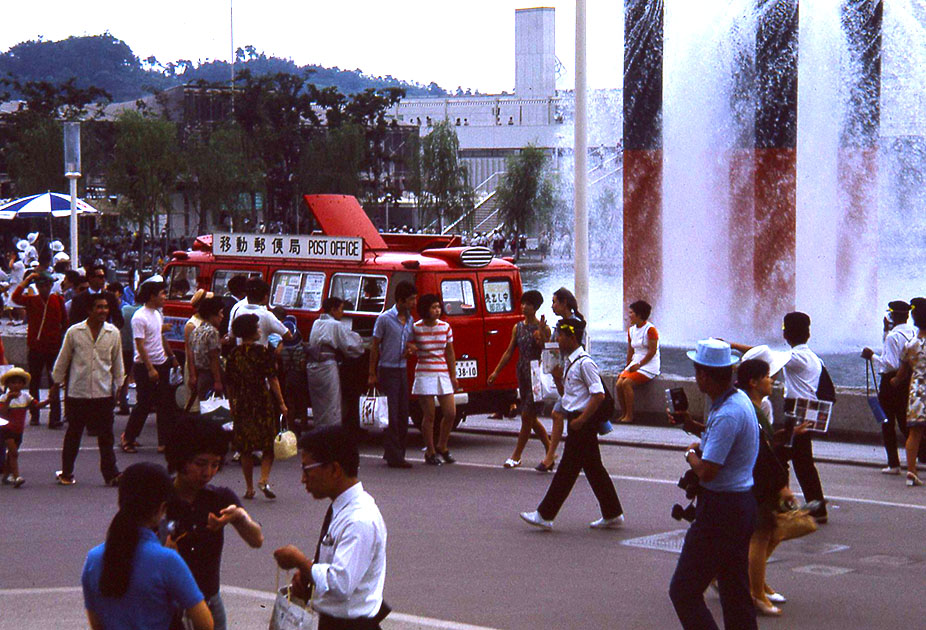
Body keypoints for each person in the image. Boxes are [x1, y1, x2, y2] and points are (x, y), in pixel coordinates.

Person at [668, 338, 759, 630]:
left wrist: (690, 455)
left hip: (721, 510)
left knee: (683, 590)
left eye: (697, 372)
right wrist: (692, 425)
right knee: (734, 591)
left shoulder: (727, 414)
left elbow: (707, 471)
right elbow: (719, 436)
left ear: (705, 375)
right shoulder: (737, 401)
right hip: (740, 505)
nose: (696, 379)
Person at [273, 425, 390, 630]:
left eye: (307, 470)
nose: (303, 479)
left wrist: (300, 562)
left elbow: (341, 584)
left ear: (335, 469)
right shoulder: (341, 509)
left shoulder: (359, 520)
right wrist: (309, 574)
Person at [81, 462, 213, 630]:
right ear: (162, 508)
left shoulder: (94, 558)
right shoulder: (168, 561)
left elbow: (97, 624)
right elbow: (205, 623)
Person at [519, 318, 624, 531]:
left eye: (561, 335)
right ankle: (612, 512)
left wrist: (582, 420)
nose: (558, 339)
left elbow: (599, 395)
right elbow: (568, 395)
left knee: (567, 470)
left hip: (581, 422)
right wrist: (558, 379)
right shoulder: (570, 363)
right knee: (594, 468)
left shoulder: (585, 363)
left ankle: (545, 514)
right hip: (576, 420)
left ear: (572, 337)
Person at [730, 312, 829, 523]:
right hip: (805, 409)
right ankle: (807, 504)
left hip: (798, 411)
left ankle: (794, 505)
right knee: (795, 460)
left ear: (786, 334)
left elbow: (764, 358)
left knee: (781, 458)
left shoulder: (797, 357)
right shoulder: (811, 356)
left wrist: (733, 345)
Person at [165, 422, 263, 630]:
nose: (207, 472)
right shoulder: (161, 497)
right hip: (166, 606)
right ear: (180, 460)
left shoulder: (220, 498)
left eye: (215, 465)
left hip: (209, 601)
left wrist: (238, 517)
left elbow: (256, 539)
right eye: (200, 464)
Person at [51, 292, 125, 486]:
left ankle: (111, 474)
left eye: (106, 307)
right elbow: (63, 359)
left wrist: (119, 386)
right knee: (74, 434)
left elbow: (118, 363)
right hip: (78, 392)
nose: (103, 311)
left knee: (106, 437)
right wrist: (56, 383)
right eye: (99, 307)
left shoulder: (113, 333)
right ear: (89, 310)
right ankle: (66, 473)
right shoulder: (74, 332)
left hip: (103, 392)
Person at [487, 289, 552, 469]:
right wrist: (496, 372)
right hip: (522, 371)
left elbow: (547, 350)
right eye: (523, 303)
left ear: (536, 307)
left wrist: (542, 332)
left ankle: (516, 455)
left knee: (526, 416)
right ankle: (549, 449)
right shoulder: (518, 326)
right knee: (530, 417)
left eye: (528, 305)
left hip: (535, 372)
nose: (524, 307)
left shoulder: (543, 327)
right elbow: (509, 352)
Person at [225, 313, 287, 500]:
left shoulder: (233, 354)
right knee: (268, 443)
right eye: (257, 327)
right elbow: (272, 378)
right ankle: (264, 479)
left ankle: (249, 487)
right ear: (252, 331)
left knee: (245, 446)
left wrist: (232, 402)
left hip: (242, 401)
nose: (260, 330)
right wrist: (282, 403)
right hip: (261, 399)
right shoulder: (262, 352)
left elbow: (230, 382)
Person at [862, 300, 924, 473]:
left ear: (892, 316)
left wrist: (872, 356)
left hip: (891, 383)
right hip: (908, 381)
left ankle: (893, 464)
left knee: (887, 423)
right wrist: (885, 330)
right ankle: (922, 454)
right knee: (907, 422)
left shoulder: (892, 337)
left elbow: (889, 363)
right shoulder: (913, 332)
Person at [120, 280, 181, 455]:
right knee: (144, 404)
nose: (164, 297)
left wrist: (172, 357)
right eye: (162, 293)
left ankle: (163, 442)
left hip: (161, 363)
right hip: (144, 366)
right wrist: (150, 369)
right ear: (152, 296)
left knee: (164, 405)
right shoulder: (139, 316)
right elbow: (140, 345)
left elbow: (160, 337)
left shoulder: (157, 314)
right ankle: (128, 438)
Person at [537, 287, 589, 472]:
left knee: (560, 414)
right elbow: (551, 347)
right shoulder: (560, 325)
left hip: (573, 377)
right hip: (563, 375)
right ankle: (555, 457)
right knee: (563, 416)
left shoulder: (575, 325)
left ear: (564, 303)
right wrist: (543, 333)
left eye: (554, 302)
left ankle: (551, 457)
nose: (552, 306)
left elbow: (572, 349)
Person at [368, 281, 417, 468]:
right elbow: (374, 346)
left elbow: (411, 342)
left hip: (402, 368)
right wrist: (372, 373)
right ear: (401, 300)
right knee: (392, 414)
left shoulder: (410, 320)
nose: (414, 303)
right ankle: (394, 455)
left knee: (403, 413)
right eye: (411, 299)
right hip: (387, 369)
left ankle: (396, 452)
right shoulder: (385, 319)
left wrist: (410, 350)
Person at [11, 270, 66, 429]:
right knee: (34, 381)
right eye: (42, 286)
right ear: (38, 287)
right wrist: (27, 280)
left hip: (53, 348)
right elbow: (14, 298)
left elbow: (64, 321)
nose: (45, 289)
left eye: (48, 285)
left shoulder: (58, 300)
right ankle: (34, 414)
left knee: (54, 382)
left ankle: (55, 416)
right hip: (36, 348)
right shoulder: (32, 301)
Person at [411, 294, 459, 465]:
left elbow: (450, 352)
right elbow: (408, 344)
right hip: (424, 373)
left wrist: (453, 375)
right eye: (433, 307)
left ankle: (442, 446)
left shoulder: (445, 327)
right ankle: (430, 451)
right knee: (429, 415)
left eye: (439, 307)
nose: (437, 310)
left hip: (442, 373)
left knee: (450, 412)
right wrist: (412, 348)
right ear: (425, 309)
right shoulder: (416, 328)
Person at [306, 297, 364, 428]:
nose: (342, 313)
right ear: (333, 310)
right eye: (341, 309)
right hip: (327, 366)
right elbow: (351, 345)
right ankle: (330, 434)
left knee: (318, 403)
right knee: (331, 403)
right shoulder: (336, 325)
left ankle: (319, 431)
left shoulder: (317, 323)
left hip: (312, 366)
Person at [891, 296, 926, 487]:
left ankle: (911, 471)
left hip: (918, 393)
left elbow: (901, 375)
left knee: (915, 434)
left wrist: (894, 381)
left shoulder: (910, 345)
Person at [0, 367, 49, 487]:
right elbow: (3, 413)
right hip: (6, 429)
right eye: (13, 383)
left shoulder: (25, 397)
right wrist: (8, 400)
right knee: (14, 452)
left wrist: (49, 400)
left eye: (19, 383)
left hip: (19, 430)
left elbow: (36, 405)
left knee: (11, 455)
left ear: (23, 384)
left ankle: (6, 475)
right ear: (7, 384)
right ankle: (17, 477)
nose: (16, 385)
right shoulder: (4, 398)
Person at [616, 299, 661, 424]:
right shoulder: (631, 330)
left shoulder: (651, 330)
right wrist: (626, 367)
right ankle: (623, 413)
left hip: (649, 364)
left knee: (627, 383)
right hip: (635, 361)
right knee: (619, 383)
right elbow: (630, 351)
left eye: (631, 313)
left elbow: (652, 351)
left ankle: (630, 415)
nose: (628, 315)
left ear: (639, 315)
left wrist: (639, 365)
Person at [227, 278, 291, 347]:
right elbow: (288, 335)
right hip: (260, 355)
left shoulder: (237, 309)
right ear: (265, 296)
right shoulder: (266, 315)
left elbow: (231, 336)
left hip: (240, 354)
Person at [188, 297, 225, 401]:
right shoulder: (213, 332)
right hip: (211, 375)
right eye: (220, 313)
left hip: (200, 375)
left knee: (204, 406)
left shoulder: (197, 330)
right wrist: (217, 381)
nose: (222, 317)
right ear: (212, 315)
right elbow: (213, 358)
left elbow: (191, 353)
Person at [69, 264, 125, 329]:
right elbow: (73, 321)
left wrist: (110, 331)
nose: (103, 279)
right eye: (100, 277)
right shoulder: (78, 299)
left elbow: (118, 320)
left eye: (104, 277)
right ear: (91, 278)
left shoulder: (110, 297)